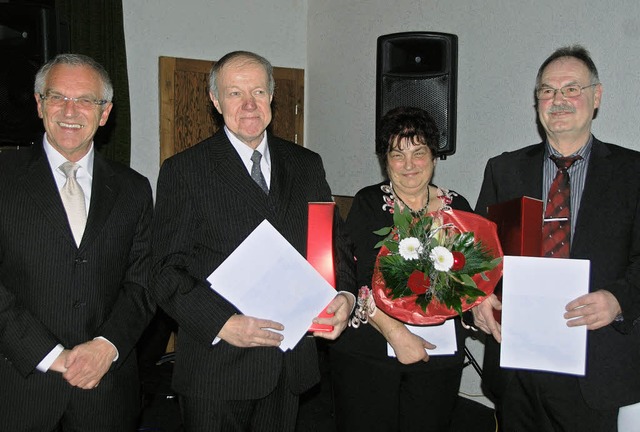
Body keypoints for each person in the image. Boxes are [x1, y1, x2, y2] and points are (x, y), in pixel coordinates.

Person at [150, 50, 356, 431]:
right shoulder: (185, 171)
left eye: (258, 92)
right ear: (215, 100)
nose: (248, 104)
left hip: (289, 364)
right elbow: (164, 270)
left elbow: (333, 241)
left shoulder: (307, 164)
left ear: (272, 96)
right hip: (218, 370)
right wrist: (222, 323)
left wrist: (345, 295)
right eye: (234, 93)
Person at [473, 45, 640, 431]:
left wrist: (617, 299)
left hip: (593, 365)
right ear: (537, 102)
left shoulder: (632, 174)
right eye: (547, 91)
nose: (558, 100)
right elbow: (481, 255)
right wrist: (478, 299)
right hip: (516, 367)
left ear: (596, 97)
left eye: (571, 89)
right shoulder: (504, 170)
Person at [0, 53, 155, 431]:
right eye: (58, 97)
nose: (71, 110)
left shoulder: (134, 188)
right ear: (39, 105)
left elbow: (144, 281)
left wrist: (107, 346)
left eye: (86, 99)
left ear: (105, 113)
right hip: (18, 387)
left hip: (107, 392)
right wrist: (49, 354)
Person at [329, 106, 473, 432]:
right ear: (386, 161)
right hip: (370, 350)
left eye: (418, 153)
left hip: (438, 353)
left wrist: (483, 301)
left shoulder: (459, 208)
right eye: (397, 154)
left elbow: (472, 277)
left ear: (434, 157)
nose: (409, 165)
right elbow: (356, 280)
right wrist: (397, 334)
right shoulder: (369, 204)